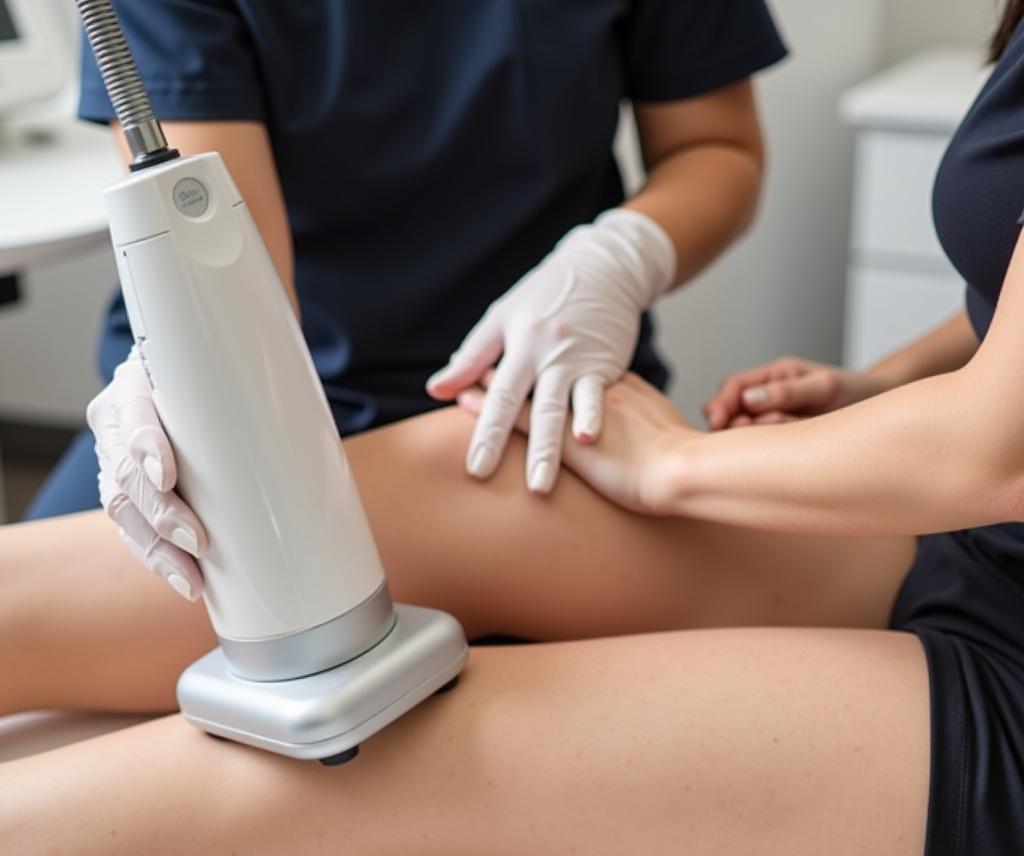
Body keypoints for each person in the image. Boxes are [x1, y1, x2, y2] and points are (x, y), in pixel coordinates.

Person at [2, 3, 1024, 856]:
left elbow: (996, 445)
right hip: (964, 533)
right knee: (459, 475)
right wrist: (885, 386)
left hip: (992, 566)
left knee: (382, 740)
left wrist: (673, 457)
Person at [23, 0, 786, 519]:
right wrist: (201, 388)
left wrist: (621, 256)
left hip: (537, 396)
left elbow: (715, 147)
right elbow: (231, 282)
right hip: (260, 399)